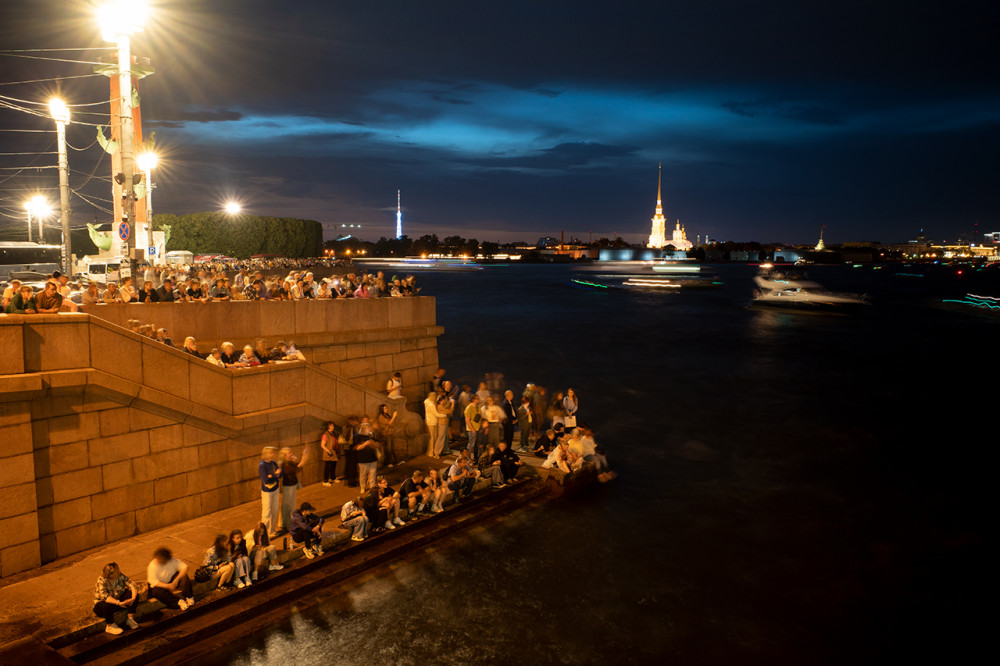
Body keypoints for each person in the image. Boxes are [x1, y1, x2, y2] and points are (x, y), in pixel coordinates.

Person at [92, 562, 139, 634]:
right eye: (117, 571)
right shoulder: (101, 581)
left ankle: (130, 619)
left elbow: (132, 584)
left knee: (134, 594)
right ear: (110, 574)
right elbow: (105, 597)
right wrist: (118, 603)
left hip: (118, 602)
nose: (119, 572)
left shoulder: (120, 576)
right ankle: (110, 626)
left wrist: (133, 598)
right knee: (105, 605)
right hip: (104, 606)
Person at [278, 445, 310, 533]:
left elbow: (298, 466)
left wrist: (304, 456)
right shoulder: (285, 464)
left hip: (290, 486)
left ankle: (283, 523)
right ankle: (289, 524)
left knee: (285, 505)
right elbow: (298, 467)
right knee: (290, 506)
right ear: (285, 455)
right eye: (289, 453)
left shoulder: (289, 462)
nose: (291, 453)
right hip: (289, 487)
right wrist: (304, 456)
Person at [259, 447, 281, 537]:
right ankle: (264, 534)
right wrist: (275, 475)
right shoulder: (262, 465)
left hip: (275, 489)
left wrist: (272, 476)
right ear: (267, 454)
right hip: (267, 491)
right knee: (266, 512)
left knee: (274, 510)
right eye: (272, 453)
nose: (273, 454)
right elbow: (265, 479)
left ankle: (271, 530)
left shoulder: (273, 463)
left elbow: (280, 474)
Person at [354, 426, 379, 493]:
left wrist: (372, 442)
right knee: (363, 475)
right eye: (367, 428)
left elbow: (377, 446)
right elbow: (357, 448)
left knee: (373, 474)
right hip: (363, 460)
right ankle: (363, 487)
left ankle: (372, 487)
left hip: (373, 459)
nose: (369, 429)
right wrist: (365, 444)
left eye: (369, 428)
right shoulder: (358, 437)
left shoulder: (372, 437)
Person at [464, 394, 483, 460]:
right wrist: (472, 429)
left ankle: (475, 457)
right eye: (477, 399)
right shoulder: (469, 408)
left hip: (478, 429)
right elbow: (467, 420)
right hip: (472, 429)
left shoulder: (478, 408)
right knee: (471, 444)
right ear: (473, 399)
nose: (478, 400)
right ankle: (467, 457)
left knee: (476, 445)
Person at [320, 421, 339, 486]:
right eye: (331, 426)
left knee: (333, 466)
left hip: (333, 452)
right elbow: (322, 445)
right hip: (329, 453)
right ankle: (325, 481)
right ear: (328, 427)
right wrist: (328, 451)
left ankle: (333, 478)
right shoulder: (325, 435)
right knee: (327, 467)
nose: (333, 427)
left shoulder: (333, 434)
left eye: (333, 426)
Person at [424, 391, 441, 458]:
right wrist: (444, 415)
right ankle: (431, 452)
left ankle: (429, 452)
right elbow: (436, 414)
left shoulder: (427, 402)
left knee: (431, 437)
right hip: (432, 422)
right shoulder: (431, 405)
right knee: (433, 437)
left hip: (429, 421)